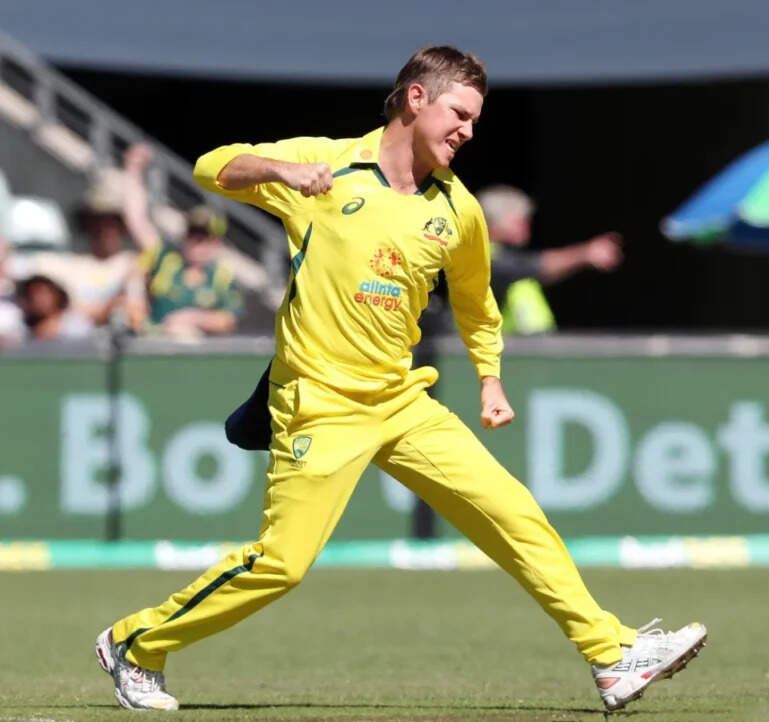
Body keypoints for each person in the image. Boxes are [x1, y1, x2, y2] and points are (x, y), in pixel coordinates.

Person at [93, 46, 706, 713]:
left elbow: (477, 304)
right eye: (460, 113)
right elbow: (212, 167)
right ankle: (135, 643)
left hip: (401, 401)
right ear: (416, 99)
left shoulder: (458, 209)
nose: (468, 131)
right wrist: (281, 170)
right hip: (320, 403)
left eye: (475, 121)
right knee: (281, 565)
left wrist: (490, 380)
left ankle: (610, 655)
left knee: (513, 512)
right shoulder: (327, 165)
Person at [122, 144, 244, 337]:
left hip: (197, 350)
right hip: (156, 342)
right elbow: (137, 220)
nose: (197, 243)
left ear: (216, 243)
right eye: (193, 234)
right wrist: (133, 170)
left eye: (204, 237)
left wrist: (193, 318)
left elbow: (229, 319)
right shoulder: (166, 259)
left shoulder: (221, 276)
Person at [477, 185, 623, 334]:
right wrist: (585, 253)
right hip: (498, 344)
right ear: (492, 223)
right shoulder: (482, 258)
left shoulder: (512, 259)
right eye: (518, 220)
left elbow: (536, 271)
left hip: (531, 343)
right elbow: (534, 266)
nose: (526, 226)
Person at [27, 173, 143, 328]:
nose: (104, 230)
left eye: (111, 223)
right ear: (87, 225)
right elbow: (58, 312)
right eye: (97, 222)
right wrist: (104, 309)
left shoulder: (133, 264)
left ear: (122, 226)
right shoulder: (70, 264)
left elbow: (136, 313)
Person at [15, 273, 93, 341]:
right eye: (32, 295)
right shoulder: (20, 328)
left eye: (43, 293)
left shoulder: (77, 326)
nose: (38, 299)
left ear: (57, 295)